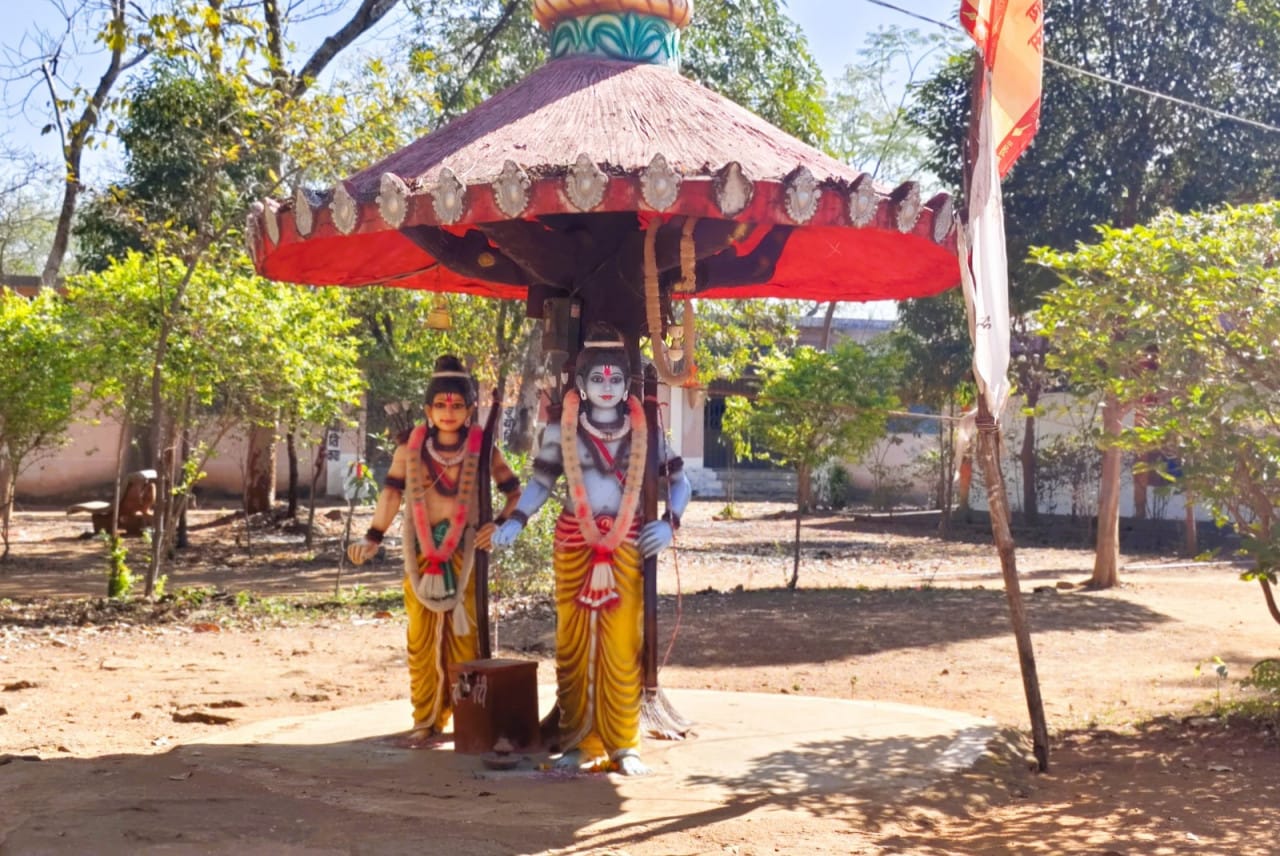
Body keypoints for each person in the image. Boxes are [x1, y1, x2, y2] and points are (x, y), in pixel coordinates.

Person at [492, 325, 690, 775]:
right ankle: (578, 739)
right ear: (580, 384)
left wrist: (669, 524)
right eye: (597, 378)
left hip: (627, 545)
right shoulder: (561, 431)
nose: (606, 386)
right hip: (574, 545)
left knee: (622, 643)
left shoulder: (645, 430)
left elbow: (681, 483)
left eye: (615, 379)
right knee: (573, 644)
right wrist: (516, 519)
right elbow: (541, 483)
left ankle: (623, 743)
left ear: (626, 386)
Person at [348, 356, 521, 746]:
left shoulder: (483, 450)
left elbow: (515, 493)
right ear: (428, 409)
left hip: (466, 556)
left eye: (457, 405)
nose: (448, 412)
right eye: (440, 404)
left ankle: (469, 718)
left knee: (466, 638)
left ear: (470, 410)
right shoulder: (410, 449)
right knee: (421, 640)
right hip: (420, 556)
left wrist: (498, 525)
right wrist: (372, 537)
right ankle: (426, 718)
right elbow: (391, 495)